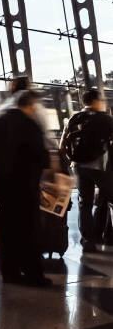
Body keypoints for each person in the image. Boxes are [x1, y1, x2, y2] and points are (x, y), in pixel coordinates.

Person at [0, 91, 52, 286]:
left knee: (5, 232)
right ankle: (33, 275)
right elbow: (40, 155)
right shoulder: (30, 124)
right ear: (30, 104)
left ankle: (9, 272)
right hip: (23, 187)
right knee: (28, 232)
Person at [60, 89, 113, 253]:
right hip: (100, 166)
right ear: (96, 101)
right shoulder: (105, 119)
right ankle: (103, 232)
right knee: (109, 199)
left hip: (79, 167)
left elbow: (62, 145)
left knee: (84, 203)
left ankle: (88, 241)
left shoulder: (74, 118)